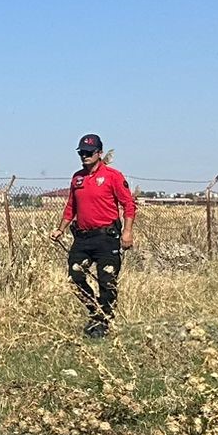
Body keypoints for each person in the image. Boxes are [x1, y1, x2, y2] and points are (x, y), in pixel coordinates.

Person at [60, 133, 137, 338]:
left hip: (106, 237)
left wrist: (127, 232)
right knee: (75, 276)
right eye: (81, 152)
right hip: (83, 238)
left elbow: (128, 204)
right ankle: (96, 312)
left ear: (99, 153)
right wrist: (60, 229)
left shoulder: (113, 176)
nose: (84, 156)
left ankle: (104, 322)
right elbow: (71, 207)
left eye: (88, 152)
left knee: (107, 279)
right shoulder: (77, 178)